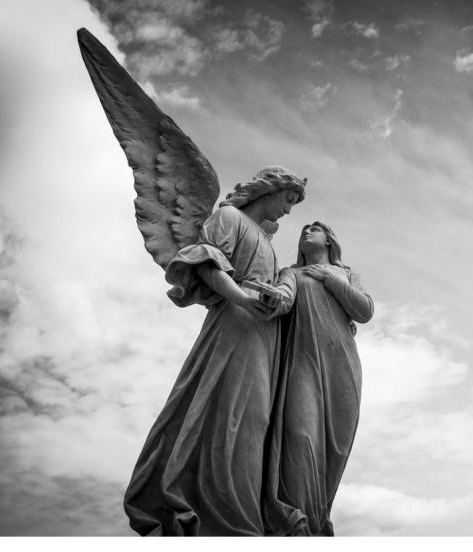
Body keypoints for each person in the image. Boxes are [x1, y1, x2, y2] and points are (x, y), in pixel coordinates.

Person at [123, 166, 307, 536]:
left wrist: (273, 301)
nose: (288, 210)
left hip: (262, 334)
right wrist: (243, 298)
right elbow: (207, 263)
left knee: (255, 420)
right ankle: (219, 517)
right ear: (269, 190)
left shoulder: (267, 242)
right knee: (227, 412)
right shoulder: (229, 218)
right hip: (235, 324)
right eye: (288, 199)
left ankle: (242, 512)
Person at [263, 222, 374, 536]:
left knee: (334, 449)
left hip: (342, 365)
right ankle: (296, 523)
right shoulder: (292, 274)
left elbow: (364, 310)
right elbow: (284, 297)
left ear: (329, 239)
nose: (306, 232)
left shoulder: (346, 274)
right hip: (303, 364)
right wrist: (272, 297)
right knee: (300, 437)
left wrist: (329, 279)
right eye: (303, 231)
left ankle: (317, 519)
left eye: (314, 229)